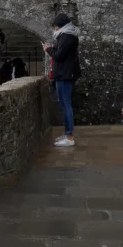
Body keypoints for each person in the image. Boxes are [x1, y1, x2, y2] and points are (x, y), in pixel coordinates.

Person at [43, 13, 81, 147]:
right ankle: (67, 134)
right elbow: (61, 52)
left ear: (60, 26)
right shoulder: (67, 35)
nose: (55, 29)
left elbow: (59, 55)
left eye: (56, 26)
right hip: (64, 74)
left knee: (66, 105)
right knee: (65, 105)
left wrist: (48, 49)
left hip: (65, 75)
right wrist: (52, 49)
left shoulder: (67, 36)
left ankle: (69, 137)